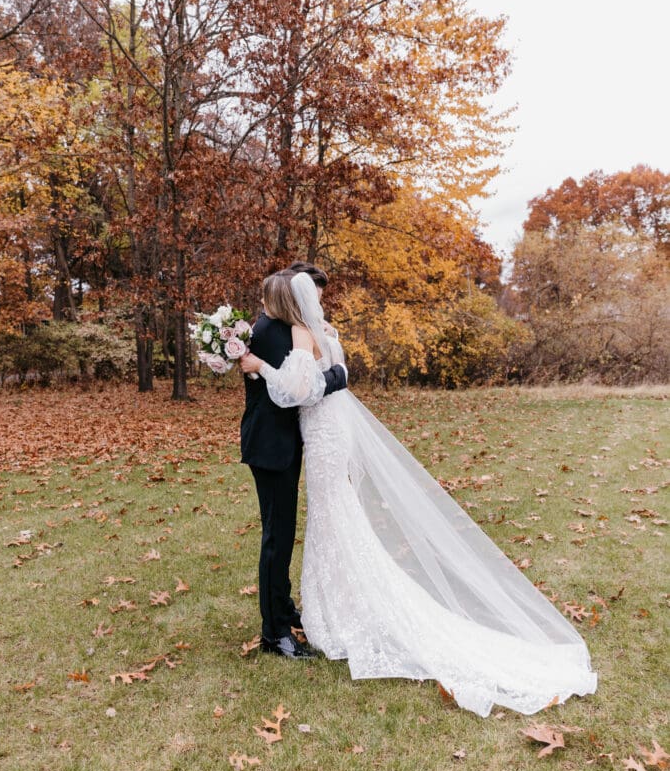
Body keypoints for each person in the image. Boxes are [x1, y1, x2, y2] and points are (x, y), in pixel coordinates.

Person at [240, 272, 598, 718]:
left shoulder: (300, 331)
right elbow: (333, 374)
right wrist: (325, 372)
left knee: (331, 519)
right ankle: (312, 609)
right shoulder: (321, 331)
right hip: (327, 434)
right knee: (333, 519)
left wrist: (263, 367)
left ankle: (325, 612)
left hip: (322, 435)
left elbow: (298, 392)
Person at [240, 269, 349, 659]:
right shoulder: (269, 332)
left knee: (283, 532)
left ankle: (283, 610)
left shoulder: (284, 329)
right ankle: (274, 633)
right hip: (270, 447)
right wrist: (338, 374)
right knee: (277, 536)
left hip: (284, 443)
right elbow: (299, 391)